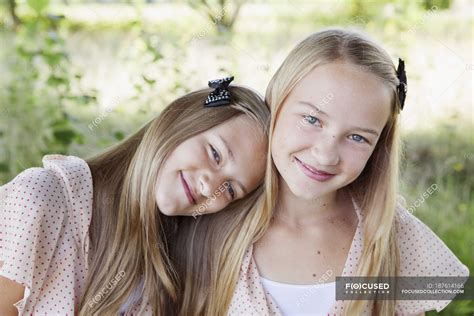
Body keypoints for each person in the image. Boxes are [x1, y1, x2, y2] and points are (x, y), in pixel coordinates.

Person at [175, 29, 469, 316]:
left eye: (357, 137)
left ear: (378, 146)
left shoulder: (387, 236)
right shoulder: (210, 220)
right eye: (312, 119)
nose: (326, 154)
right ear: (276, 101)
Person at [0, 77, 270, 315]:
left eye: (231, 189)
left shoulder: (183, 268)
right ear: (180, 119)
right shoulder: (42, 201)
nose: (211, 188)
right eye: (215, 153)